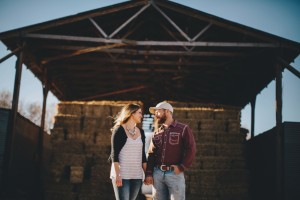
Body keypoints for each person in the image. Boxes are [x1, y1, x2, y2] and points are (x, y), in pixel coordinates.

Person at [144, 102, 196, 200]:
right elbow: (151, 154)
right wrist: (149, 174)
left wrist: (182, 167)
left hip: (174, 174)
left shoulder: (183, 129)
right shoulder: (156, 133)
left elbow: (191, 149)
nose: (155, 115)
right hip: (157, 174)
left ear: (167, 112)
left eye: (158, 112)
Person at [109, 103, 147, 200]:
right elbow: (114, 155)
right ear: (132, 114)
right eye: (139, 113)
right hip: (122, 175)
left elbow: (142, 156)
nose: (141, 116)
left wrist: (147, 174)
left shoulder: (141, 132)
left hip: (137, 176)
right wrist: (118, 174)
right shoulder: (119, 130)